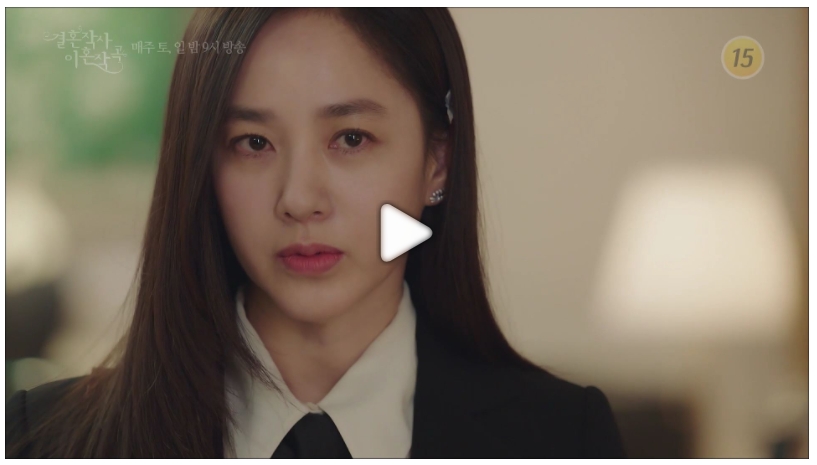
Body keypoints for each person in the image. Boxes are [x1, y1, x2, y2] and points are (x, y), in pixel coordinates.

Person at [5, 8, 626, 458]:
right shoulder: (41, 439)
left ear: (437, 162)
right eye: (253, 143)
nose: (300, 199)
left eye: (351, 139)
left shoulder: (562, 438)